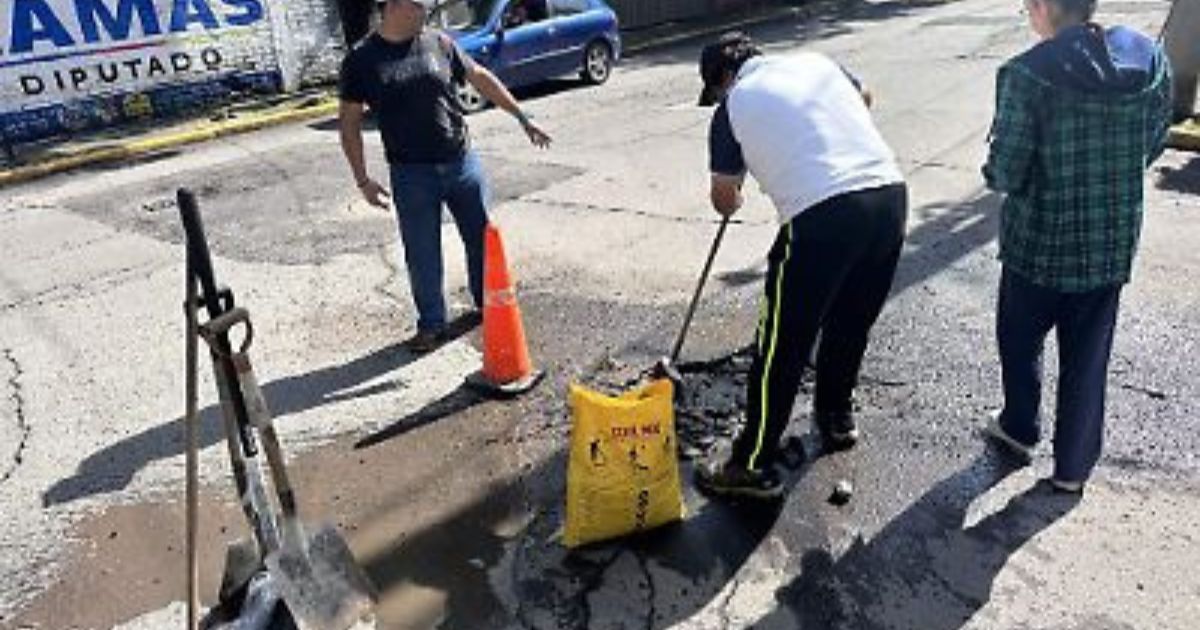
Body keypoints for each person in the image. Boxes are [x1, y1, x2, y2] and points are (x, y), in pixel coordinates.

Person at [693, 33, 908, 500]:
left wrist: (738, 190)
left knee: (781, 345)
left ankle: (750, 463)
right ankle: (836, 418)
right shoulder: (816, 63)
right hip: (889, 197)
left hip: (822, 216)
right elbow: (866, 96)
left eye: (717, 90)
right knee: (851, 322)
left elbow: (724, 198)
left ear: (724, 77)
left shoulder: (733, 107)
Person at [982, 0, 1172, 493]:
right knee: (1088, 358)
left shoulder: (1026, 74)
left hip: (1038, 247)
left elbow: (1006, 172)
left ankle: (1019, 427)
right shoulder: (1148, 58)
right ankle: (1073, 469)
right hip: (1110, 242)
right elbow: (1155, 139)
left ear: (1045, 7)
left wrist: (993, 168)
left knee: (1019, 339)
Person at [339, 0, 551, 352]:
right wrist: (362, 179)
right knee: (422, 254)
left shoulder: (438, 42)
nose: (426, 12)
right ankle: (432, 324)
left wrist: (522, 117)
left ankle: (489, 304)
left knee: (482, 239)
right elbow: (349, 123)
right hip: (411, 174)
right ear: (394, 6)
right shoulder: (361, 59)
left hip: (461, 163)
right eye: (420, 5)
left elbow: (479, 77)